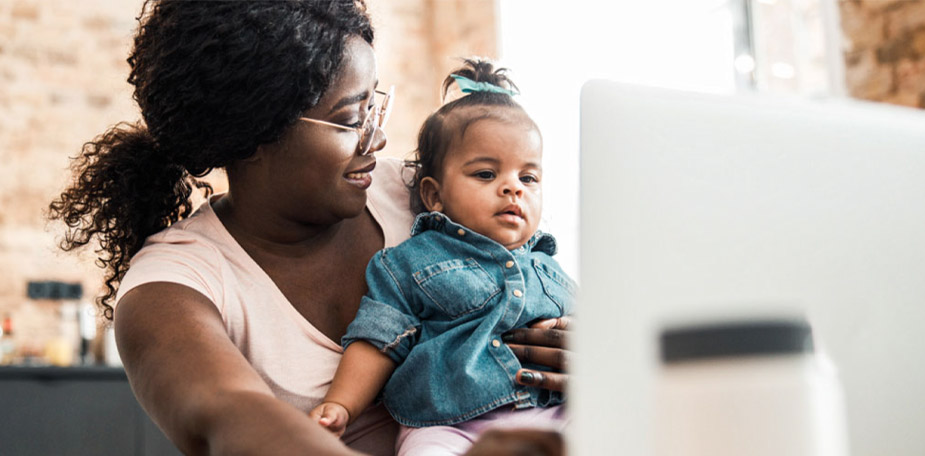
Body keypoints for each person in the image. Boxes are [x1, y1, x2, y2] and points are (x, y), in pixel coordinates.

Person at [47, 2, 569, 455]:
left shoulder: (426, 196)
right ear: (254, 133)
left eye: (373, 108)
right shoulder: (171, 287)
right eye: (349, 120)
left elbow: (538, 275)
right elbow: (228, 420)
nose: (377, 139)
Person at [310, 59, 575, 456]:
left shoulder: (548, 266)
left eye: (528, 178)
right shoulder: (410, 262)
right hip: (452, 425)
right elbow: (378, 340)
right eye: (486, 174)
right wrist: (341, 404)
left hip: (553, 415)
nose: (512, 189)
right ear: (435, 195)